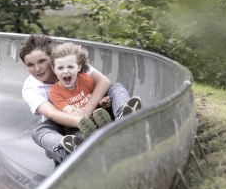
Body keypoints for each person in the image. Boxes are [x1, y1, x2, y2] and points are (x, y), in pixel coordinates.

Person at [19, 34, 142, 164]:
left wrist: (88, 111)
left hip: (94, 111)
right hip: (64, 125)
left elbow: (104, 82)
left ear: (52, 58)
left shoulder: (69, 63)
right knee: (38, 131)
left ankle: (124, 117)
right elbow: (52, 113)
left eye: (42, 61)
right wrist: (83, 122)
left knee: (116, 87)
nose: (37, 69)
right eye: (30, 65)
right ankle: (70, 147)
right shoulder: (31, 88)